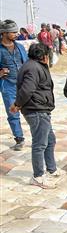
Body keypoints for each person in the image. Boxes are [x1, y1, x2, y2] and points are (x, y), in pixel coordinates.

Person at [10, 43, 59, 189]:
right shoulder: (32, 67)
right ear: (44, 56)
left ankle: (51, 169)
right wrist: (17, 104)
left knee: (50, 139)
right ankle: (38, 176)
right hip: (36, 110)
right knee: (40, 143)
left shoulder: (35, 65)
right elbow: (27, 89)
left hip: (42, 108)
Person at [0, 19, 27, 151]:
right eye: (13, 32)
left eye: (16, 32)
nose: (16, 34)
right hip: (8, 86)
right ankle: (19, 138)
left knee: (31, 110)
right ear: (4, 33)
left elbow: (27, 64)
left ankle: (39, 135)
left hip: (24, 85)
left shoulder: (20, 47)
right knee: (13, 112)